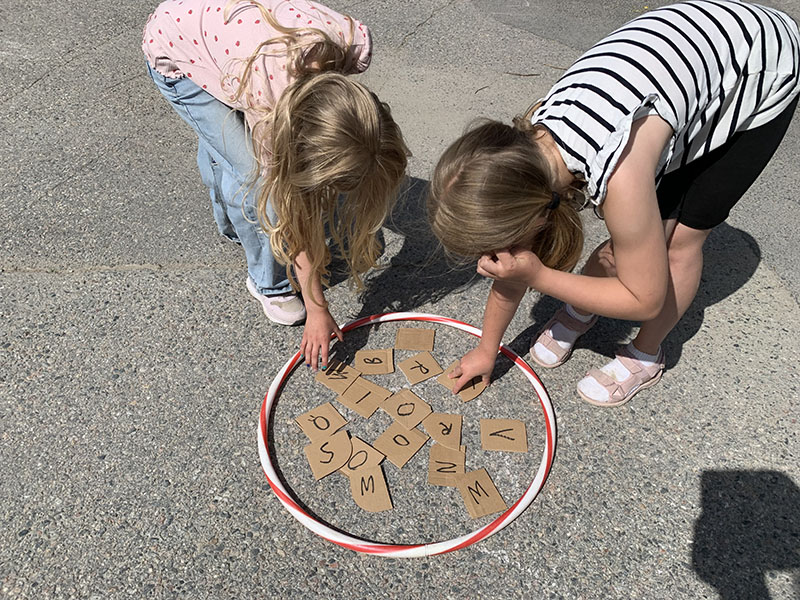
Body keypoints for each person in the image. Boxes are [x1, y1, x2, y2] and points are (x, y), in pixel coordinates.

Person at [428, 0, 799, 406]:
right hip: (684, 59)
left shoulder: (621, 176)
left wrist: (540, 276)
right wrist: (487, 349)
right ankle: (588, 301)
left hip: (762, 66)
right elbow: (516, 257)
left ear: (535, 210)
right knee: (643, 230)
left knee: (678, 240)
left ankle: (646, 354)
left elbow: (646, 297)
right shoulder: (523, 153)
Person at [143, 0, 408, 370]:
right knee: (254, 184)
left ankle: (228, 205)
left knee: (226, 144)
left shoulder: (353, 44)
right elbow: (289, 210)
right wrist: (317, 307)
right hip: (176, 55)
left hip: (225, 44)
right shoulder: (269, 117)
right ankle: (268, 283)